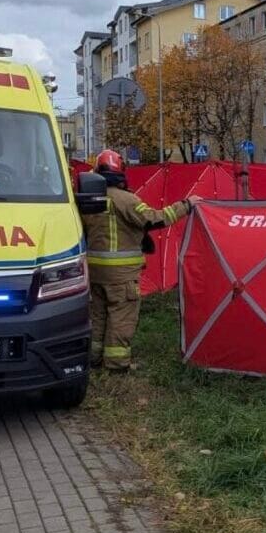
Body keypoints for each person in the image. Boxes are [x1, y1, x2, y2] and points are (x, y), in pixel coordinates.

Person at [81, 149, 201, 371]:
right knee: (121, 317)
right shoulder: (126, 199)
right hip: (121, 275)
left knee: (97, 316)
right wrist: (186, 205)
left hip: (94, 272)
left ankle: (93, 359)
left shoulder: (87, 200)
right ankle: (117, 364)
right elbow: (155, 218)